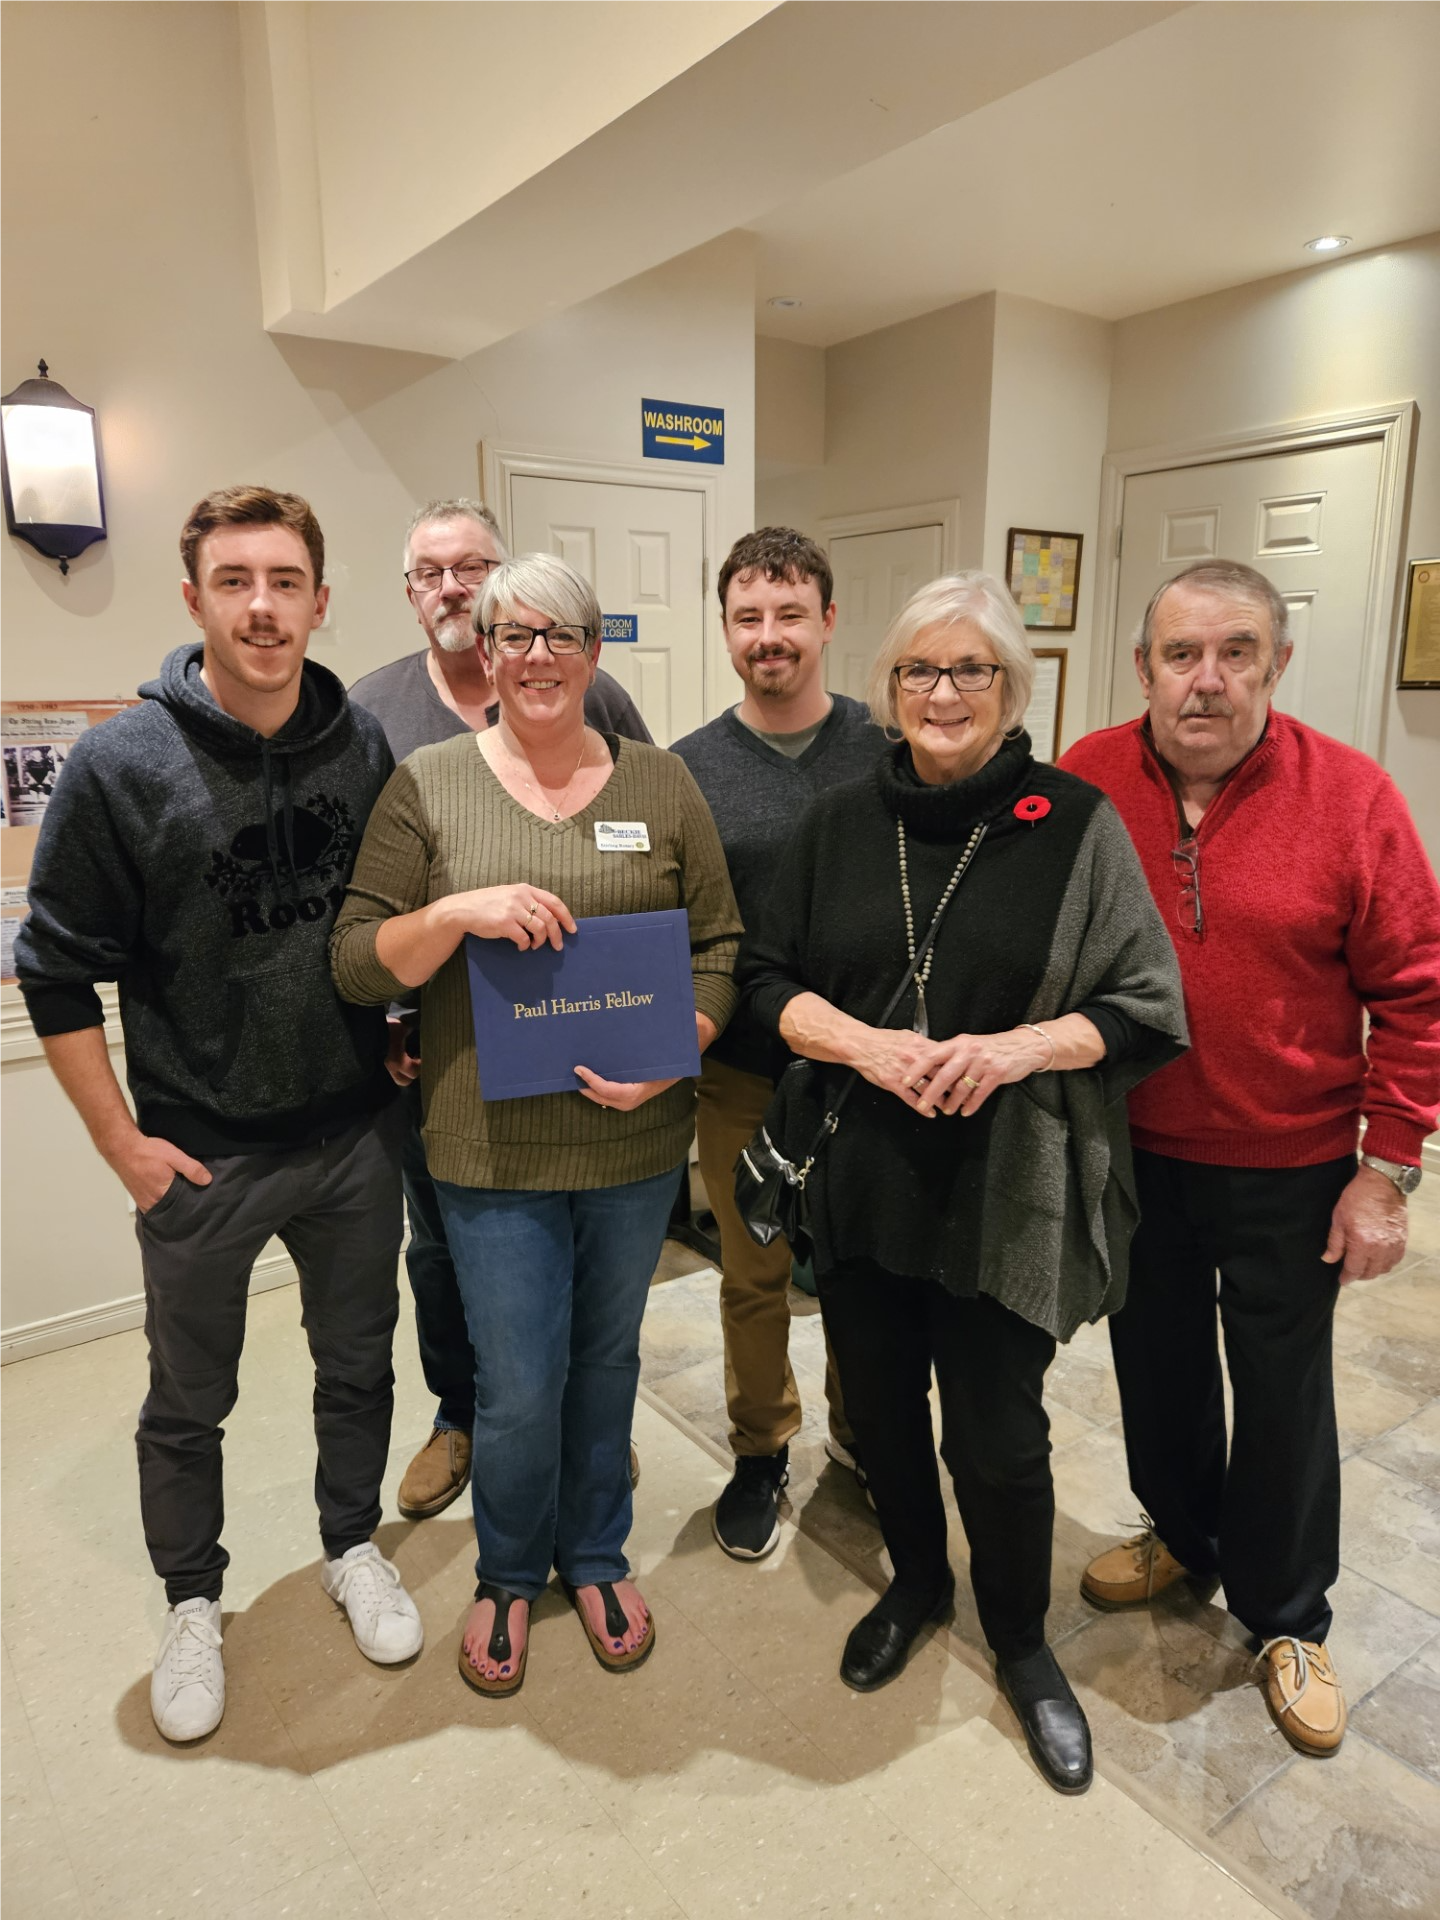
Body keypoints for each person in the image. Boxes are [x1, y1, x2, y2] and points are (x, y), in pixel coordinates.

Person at [740, 572, 1186, 1794]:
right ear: (888, 688)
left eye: (970, 670)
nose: (943, 693)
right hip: (864, 1177)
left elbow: (1146, 1005)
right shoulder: (837, 823)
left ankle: (1025, 1644)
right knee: (882, 1417)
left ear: (1012, 688)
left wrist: (1014, 1050)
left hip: (1008, 1187)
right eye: (919, 671)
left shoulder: (1077, 824)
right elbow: (765, 981)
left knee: (998, 1439)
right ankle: (920, 1588)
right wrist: (866, 1046)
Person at [15, 486, 423, 1746]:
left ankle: (351, 1547)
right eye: (235, 582)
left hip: (354, 1138)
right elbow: (53, 970)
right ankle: (194, 1603)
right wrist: (121, 1145)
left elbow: (387, 925)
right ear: (194, 599)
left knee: (359, 1368)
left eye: (284, 581)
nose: (261, 607)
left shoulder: (361, 745)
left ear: (319, 599)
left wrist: (398, 1033)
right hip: (200, 1155)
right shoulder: (121, 764)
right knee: (188, 1403)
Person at [332, 551, 741, 1697]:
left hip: (635, 1149)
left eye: (561, 634)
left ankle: (596, 1555)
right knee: (516, 1382)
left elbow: (719, 946)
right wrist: (456, 913)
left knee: (607, 1363)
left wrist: (677, 1048)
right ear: (486, 651)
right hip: (489, 1148)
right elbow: (358, 961)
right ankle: (510, 1573)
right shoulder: (429, 786)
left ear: (595, 652)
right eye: (514, 634)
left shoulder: (662, 784)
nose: (538, 656)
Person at [1061, 558, 1440, 1759]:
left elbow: (1419, 994)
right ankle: (1184, 1537)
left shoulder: (1354, 798)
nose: (1208, 680)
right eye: (1182, 654)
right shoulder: (1085, 780)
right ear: (1144, 669)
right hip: (1135, 1151)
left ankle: (1286, 1616)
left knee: (1282, 1395)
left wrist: (1387, 1169)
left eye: (1236, 653)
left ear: (1277, 665)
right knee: (1156, 1364)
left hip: (1291, 1163)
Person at [349, 498, 653, 1522]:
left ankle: (584, 1423)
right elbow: (366, 897)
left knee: (582, 1243)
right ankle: (462, 1415)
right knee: (444, 1249)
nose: (452, 586)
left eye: (472, 566)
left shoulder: (600, 694)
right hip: (437, 1054)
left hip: (584, 1037)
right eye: (430, 571)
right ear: (411, 593)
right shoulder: (374, 713)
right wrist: (387, 1018)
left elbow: (649, 837)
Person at [671, 527, 885, 1559]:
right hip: (741, 1070)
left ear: (828, 621)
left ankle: (863, 1437)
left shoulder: (889, 750)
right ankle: (761, 1451)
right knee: (753, 1272)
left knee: (859, 1274)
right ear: (725, 630)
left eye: (790, 614)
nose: (770, 636)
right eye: (749, 617)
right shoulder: (689, 769)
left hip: (868, 1074)